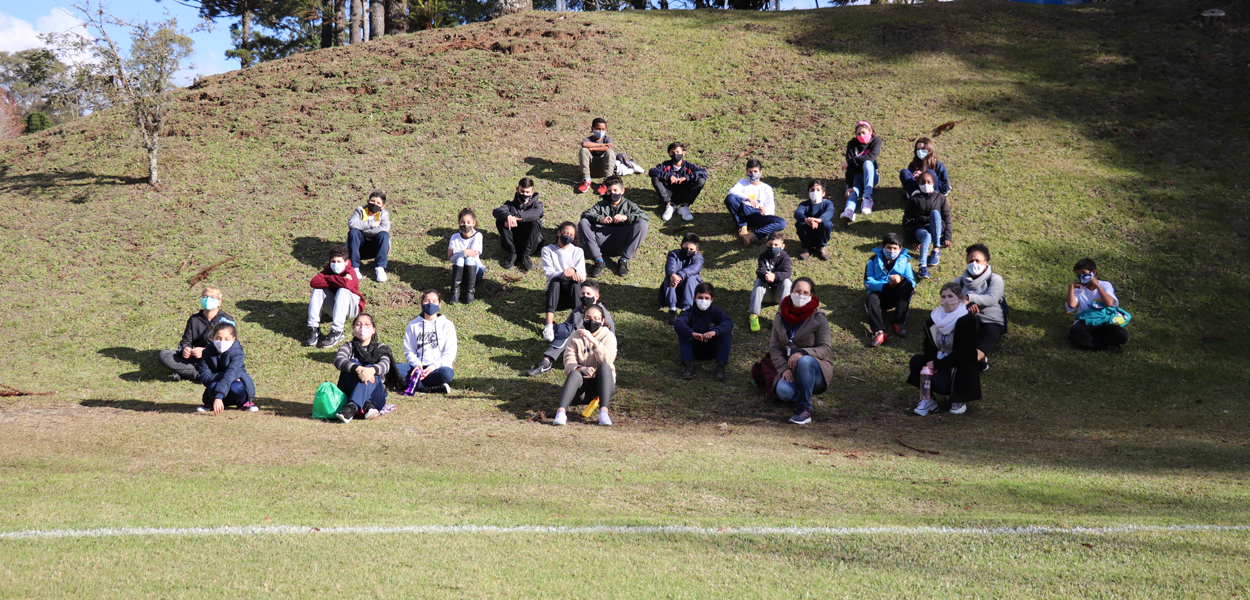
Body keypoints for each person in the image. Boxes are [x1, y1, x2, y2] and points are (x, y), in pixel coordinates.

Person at [907, 282, 982, 416]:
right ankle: (927, 399)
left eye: (950, 296)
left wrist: (938, 365)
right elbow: (928, 344)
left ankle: (959, 398)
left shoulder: (967, 320)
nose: (946, 300)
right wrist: (931, 363)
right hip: (939, 361)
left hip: (959, 366)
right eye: (943, 296)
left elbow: (965, 351)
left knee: (944, 379)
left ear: (959, 298)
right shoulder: (934, 318)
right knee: (916, 362)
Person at [768, 278, 834, 425]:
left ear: (811, 295)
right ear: (791, 292)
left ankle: (804, 410)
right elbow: (774, 347)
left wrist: (803, 353)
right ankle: (804, 391)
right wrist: (784, 368)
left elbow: (825, 348)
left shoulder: (819, 318)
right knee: (783, 392)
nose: (800, 295)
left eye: (805, 293)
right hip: (790, 369)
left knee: (804, 361)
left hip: (814, 370)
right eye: (797, 291)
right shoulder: (780, 317)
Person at [524, 280, 615, 377]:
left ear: (596, 296)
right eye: (583, 293)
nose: (585, 296)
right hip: (576, 344)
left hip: (595, 350)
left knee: (568, 333)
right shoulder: (578, 310)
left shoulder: (601, 312)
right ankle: (546, 361)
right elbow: (567, 325)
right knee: (565, 332)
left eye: (588, 294)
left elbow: (611, 335)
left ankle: (547, 361)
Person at [552, 305, 617, 427]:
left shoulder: (608, 336)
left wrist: (594, 341)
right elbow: (568, 363)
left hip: (603, 386)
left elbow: (608, 360)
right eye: (588, 318)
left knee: (604, 367)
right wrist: (581, 369)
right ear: (583, 319)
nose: (592, 321)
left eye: (596, 319)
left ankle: (604, 412)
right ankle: (561, 412)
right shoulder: (574, 336)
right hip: (582, 388)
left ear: (602, 321)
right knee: (574, 373)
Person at [158, 286, 236, 382]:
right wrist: (186, 349)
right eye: (205, 297)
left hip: (215, 358)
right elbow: (186, 341)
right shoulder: (194, 319)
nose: (208, 299)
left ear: (219, 302)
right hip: (196, 358)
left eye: (212, 297)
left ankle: (187, 373)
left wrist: (205, 351)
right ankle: (199, 375)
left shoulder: (226, 320)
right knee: (164, 355)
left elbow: (229, 346)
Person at [578, 175, 650, 278]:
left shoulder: (629, 205)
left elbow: (644, 216)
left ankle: (624, 260)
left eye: (615, 190)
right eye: (609, 191)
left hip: (622, 241)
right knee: (583, 222)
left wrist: (626, 217)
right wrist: (600, 219)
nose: (612, 193)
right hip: (602, 240)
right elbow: (585, 214)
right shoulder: (601, 205)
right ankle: (598, 261)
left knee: (643, 224)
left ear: (622, 191)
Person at [331, 313, 394, 423]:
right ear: (353, 330)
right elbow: (339, 360)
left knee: (372, 369)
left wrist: (371, 370)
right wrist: (358, 369)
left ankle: (351, 407)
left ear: (373, 330)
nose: (362, 328)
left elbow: (385, 365)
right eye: (358, 325)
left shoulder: (381, 348)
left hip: (376, 397)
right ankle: (365, 405)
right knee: (352, 362)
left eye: (367, 324)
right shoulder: (348, 347)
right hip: (349, 391)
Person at [952, 243, 1007, 369]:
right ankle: (977, 362)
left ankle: (975, 360)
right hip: (969, 320)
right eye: (970, 261)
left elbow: (992, 298)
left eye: (977, 261)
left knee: (987, 339)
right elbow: (951, 301)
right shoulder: (958, 281)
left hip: (992, 321)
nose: (974, 264)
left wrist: (969, 298)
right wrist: (966, 305)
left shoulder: (995, 279)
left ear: (985, 263)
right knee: (968, 338)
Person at [396, 290, 457, 394]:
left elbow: (449, 353)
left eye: (434, 301)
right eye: (427, 301)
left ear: (440, 304)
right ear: (421, 304)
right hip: (417, 367)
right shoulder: (413, 325)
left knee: (447, 374)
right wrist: (417, 365)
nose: (430, 304)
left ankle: (415, 384)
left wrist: (433, 366)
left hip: (437, 368)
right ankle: (429, 387)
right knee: (392, 368)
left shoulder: (447, 325)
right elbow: (409, 351)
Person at [306, 244, 365, 348]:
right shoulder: (328, 269)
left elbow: (348, 284)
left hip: (351, 310)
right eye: (333, 261)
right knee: (317, 289)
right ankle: (313, 328)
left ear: (346, 262)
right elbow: (314, 282)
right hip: (334, 308)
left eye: (339, 261)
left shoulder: (351, 271)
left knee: (343, 290)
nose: (335, 264)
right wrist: (337, 279)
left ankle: (337, 331)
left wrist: (327, 278)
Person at [864, 232, 916, 347]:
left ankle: (898, 321)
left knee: (907, 285)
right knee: (871, 299)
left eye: (895, 248)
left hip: (897, 296)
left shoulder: (905, 261)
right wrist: (886, 286)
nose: (891, 251)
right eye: (888, 247)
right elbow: (867, 282)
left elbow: (912, 281)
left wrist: (901, 278)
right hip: (879, 295)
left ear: (900, 248)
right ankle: (879, 331)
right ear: (883, 246)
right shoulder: (873, 260)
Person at [674, 282, 733, 381]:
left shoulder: (716, 312)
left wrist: (714, 332)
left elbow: (728, 322)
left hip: (712, 348)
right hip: (694, 349)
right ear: (695, 299)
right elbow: (678, 323)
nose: (703, 301)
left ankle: (720, 366)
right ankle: (689, 365)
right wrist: (692, 333)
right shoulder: (689, 312)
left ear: (712, 300)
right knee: (683, 332)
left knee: (726, 333)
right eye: (700, 298)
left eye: (706, 298)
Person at [1066, 258, 1129, 351]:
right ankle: (1107, 346)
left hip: (1104, 322)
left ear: (1094, 272)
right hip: (1086, 322)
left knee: (1122, 335)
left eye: (1083, 273)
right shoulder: (1078, 290)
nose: (1081, 276)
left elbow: (1109, 303)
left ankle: (1094, 344)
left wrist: (1097, 286)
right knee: (1074, 331)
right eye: (1078, 274)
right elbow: (1071, 305)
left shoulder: (1105, 285)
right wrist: (1071, 287)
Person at [195, 322, 257, 415]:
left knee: (236, 387)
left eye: (226, 339)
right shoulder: (207, 352)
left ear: (233, 339)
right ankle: (211, 404)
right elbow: (205, 377)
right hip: (216, 385)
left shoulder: (238, 353)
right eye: (218, 338)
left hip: (234, 389)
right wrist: (227, 375)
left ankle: (244, 403)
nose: (222, 342)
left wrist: (219, 396)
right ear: (213, 337)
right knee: (212, 386)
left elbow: (231, 373)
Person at [724, 158, 786, 247]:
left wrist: (764, 211)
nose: (753, 174)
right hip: (743, 210)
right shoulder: (742, 182)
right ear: (747, 172)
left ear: (761, 172)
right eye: (750, 172)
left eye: (755, 171)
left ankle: (752, 235)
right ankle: (743, 226)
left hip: (757, 214)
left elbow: (771, 209)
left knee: (781, 223)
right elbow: (731, 192)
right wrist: (747, 198)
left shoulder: (767, 188)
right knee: (730, 198)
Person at [902, 171, 952, 280]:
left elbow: (947, 217)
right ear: (918, 184)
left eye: (928, 182)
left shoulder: (940, 197)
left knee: (935, 213)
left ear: (933, 183)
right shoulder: (914, 199)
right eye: (923, 182)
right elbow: (907, 220)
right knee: (927, 236)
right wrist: (912, 241)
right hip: (920, 228)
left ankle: (936, 249)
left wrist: (947, 237)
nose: (926, 184)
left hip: (937, 226)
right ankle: (923, 266)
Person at [541, 221, 587, 342]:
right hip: (556, 295)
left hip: (573, 295)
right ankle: (549, 326)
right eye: (565, 233)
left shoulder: (578, 251)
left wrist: (574, 271)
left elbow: (583, 275)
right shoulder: (547, 250)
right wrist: (565, 273)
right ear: (559, 232)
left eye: (571, 235)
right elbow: (549, 273)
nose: (568, 236)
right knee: (555, 281)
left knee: (576, 282)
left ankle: (579, 324)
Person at [493, 178, 545, 272]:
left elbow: (538, 213)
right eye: (522, 191)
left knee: (535, 221)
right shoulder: (509, 205)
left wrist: (515, 218)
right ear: (517, 189)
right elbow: (496, 212)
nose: (524, 194)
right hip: (513, 241)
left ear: (532, 192)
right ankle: (513, 253)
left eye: (527, 192)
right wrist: (507, 216)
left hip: (531, 243)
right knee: (500, 220)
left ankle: (525, 255)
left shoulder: (537, 205)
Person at [650, 141, 708, 223]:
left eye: (678, 152)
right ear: (669, 154)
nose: (675, 154)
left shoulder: (689, 166)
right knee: (655, 178)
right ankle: (669, 205)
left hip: (684, 193)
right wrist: (669, 176)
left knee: (701, 180)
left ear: (683, 153)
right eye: (673, 152)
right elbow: (652, 171)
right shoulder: (665, 165)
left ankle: (684, 206)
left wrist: (686, 178)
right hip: (668, 193)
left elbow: (703, 172)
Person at [748, 232, 793, 333]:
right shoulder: (763, 256)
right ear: (766, 244)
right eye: (770, 244)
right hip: (766, 295)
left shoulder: (785, 258)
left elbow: (787, 273)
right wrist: (766, 276)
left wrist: (775, 276)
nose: (773, 247)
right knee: (758, 281)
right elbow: (760, 270)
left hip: (778, 295)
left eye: (776, 245)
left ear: (782, 246)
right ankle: (753, 315)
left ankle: (781, 317)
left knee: (787, 282)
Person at [840, 120, 882, 223]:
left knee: (867, 163)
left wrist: (851, 161)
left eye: (864, 132)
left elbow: (871, 158)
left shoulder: (876, 141)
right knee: (853, 191)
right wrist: (849, 185)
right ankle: (849, 211)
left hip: (871, 176)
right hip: (857, 177)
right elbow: (850, 167)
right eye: (859, 134)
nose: (861, 135)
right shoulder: (852, 144)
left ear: (870, 131)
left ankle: (867, 198)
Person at [657, 233, 704, 324]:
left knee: (691, 278)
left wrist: (679, 276)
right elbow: (670, 267)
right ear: (681, 246)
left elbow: (694, 269)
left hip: (691, 289)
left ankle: (686, 309)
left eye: (691, 249)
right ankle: (672, 309)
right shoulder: (673, 254)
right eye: (686, 248)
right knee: (669, 278)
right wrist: (673, 275)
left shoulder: (699, 258)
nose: (688, 251)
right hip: (676, 287)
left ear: (696, 250)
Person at [346, 190, 391, 282]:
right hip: (359, 247)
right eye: (372, 201)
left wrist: (363, 229)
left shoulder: (384, 214)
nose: (374, 204)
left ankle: (380, 268)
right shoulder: (360, 211)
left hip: (375, 247)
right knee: (354, 232)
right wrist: (371, 224)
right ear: (368, 201)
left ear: (382, 206)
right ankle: (354, 267)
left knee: (383, 234)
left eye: (378, 203)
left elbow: (385, 228)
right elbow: (352, 224)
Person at [792, 179, 836, 261]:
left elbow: (829, 212)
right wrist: (806, 220)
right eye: (812, 190)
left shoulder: (827, 203)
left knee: (827, 224)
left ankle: (821, 246)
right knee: (800, 223)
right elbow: (797, 213)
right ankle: (806, 247)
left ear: (823, 193)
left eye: (818, 190)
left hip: (820, 230)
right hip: (807, 230)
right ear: (808, 194)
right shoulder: (804, 204)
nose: (815, 192)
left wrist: (819, 220)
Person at [448, 208, 485, 304]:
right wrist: (464, 251)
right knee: (460, 259)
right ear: (459, 222)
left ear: (474, 222)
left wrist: (456, 251)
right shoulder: (454, 237)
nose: (465, 225)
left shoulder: (478, 236)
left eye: (468, 222)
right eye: (463, 222)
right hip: (458, 271)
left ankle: (470, 293)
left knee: (468, 260)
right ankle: (454, 293)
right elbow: (450, 258)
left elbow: (472, 254)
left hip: (475, 272)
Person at [577, 117, 616, 195]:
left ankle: (607, 182)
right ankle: (586, 180)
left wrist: (593, 149)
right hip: (590, 169)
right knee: (583, 150)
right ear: (592, 129)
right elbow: (584, 144)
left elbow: (609, 147)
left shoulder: (607, 139)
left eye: (603, 129)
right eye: (598, 129)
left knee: (610, 152)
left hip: (603, 169)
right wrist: (602, 145)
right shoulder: (588, 139)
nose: (601, 131)